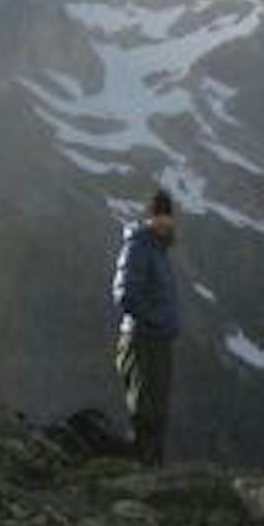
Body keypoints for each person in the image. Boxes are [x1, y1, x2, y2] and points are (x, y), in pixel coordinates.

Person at [112, 188, 181, 464]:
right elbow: (125, 294)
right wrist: (154, 320)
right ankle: (140, 469)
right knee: (144, 410)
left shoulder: (158, 251)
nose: (165, 221)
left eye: (168, 216)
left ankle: (152, 468)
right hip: (141, 339)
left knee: (158, 409)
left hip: (159, 340)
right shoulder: (139, 247)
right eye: (159, 215)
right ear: (150, 218)